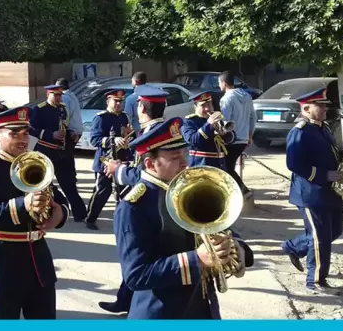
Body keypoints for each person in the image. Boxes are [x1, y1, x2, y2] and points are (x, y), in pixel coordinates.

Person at [115, 117, 254, 319]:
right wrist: (196, 259)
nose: (185, 163)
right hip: (162, 314)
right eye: (174, 158)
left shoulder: (185, 188)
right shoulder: (134, 206)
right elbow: (136, 275)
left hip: (202, 308)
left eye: (183, 154)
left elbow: (217, 226)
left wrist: (236, 248)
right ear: (150, 163)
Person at [0, 106, 70, 319]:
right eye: (14, 133)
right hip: (2, 263)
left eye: (25, 133)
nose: (23, 139)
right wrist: (23, 205)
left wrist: (59, 214)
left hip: (38, 262)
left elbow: (58, 199)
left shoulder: (35, 161)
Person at [97, 85, 168, 314]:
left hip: (149, 202)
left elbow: (146, 173)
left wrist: (118, 170)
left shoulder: (153, 134)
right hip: (152, 198)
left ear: (140, 106)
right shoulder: (158, 130)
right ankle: (124, 299)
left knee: (140, 255)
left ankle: (132, 303)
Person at [280, 87, 343, 296]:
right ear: (306, 108)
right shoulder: (299, 131)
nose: (326, 108)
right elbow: (294, 163)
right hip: (310, 193)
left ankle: (293, 247)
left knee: (335, 230)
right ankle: (315, 281)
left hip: (329, 192)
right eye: (321, 105)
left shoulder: (322, 127)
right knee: (320, 238)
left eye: (325, 104)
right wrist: (324, 175)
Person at [29, 85, 87, 222]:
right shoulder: (39, 109)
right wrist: (50, 134)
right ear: (48, 94)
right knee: (44, 183)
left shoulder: (62, 108)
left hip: (63, 151)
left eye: (60, 95)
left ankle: (80, 214)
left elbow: (64, 125)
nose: (59, 98)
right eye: (55, 95)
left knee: (69, 183)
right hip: (45, 150)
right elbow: (31, 129)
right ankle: (46, 211)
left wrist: (70, 134)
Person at [85, 89, 133, 231]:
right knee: (102, 192)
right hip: (105, 161)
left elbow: (127, 135)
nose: (118, 104)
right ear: (108, 101)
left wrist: (128, 137)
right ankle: (90, 218)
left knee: (123, 192)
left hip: (122, 160)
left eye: (120, 101)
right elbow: (94, 139)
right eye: (115, 101)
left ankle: (121, 219)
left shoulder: (124, 117)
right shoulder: (101, 118)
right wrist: (112, 140)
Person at [218, 71, 255, 198]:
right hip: (243, 139)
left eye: (219, 83)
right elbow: (252, 117)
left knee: (226, 168)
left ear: (223, 83)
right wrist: (250, 136)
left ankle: (243, 192)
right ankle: (232, 193)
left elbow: (224, 121)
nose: (219, 86)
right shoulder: (247, 96)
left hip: (231, 140)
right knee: (230, 166)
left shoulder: (226, 99)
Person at [181, 91, 236, 169]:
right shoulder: (189, 122)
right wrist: (209, 125)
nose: (207, 109)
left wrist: (224, 134)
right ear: (195, 107)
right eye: (203, 106)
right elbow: (192, 140)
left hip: (219, 165)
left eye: (209, 104)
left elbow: (232, 139)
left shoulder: (217, 118)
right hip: (200, 165)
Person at [56, 77, 82, 186]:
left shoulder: (65, 98)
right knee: (69, 154)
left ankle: (69, 178)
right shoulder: (72, 96)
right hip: (76, 129)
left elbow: (65, 115)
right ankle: (72, 177)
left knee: (65, 155)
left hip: (71, 130)